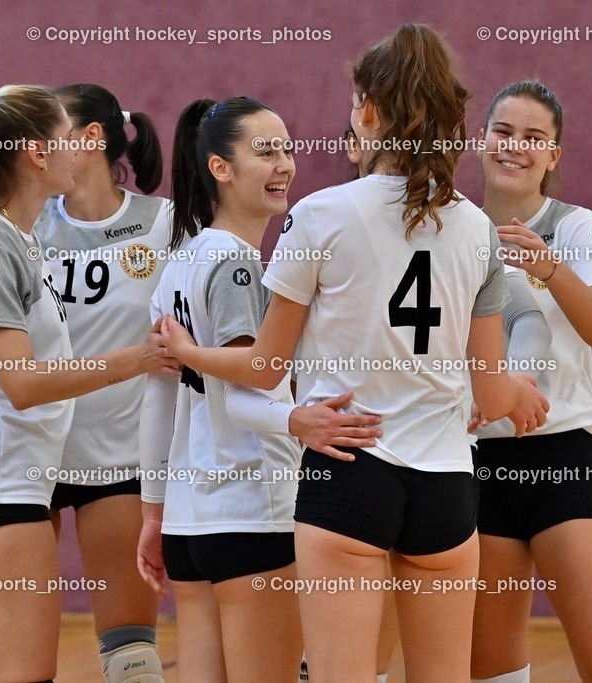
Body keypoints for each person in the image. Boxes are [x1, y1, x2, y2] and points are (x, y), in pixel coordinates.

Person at [157, 25, 549, 682]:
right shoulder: (478, 228)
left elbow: (265, 366)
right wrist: (522, 390)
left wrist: (190, 350)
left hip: (347, 472)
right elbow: (490, 395)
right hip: (446, 485)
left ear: (369, 111)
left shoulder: (318, 214)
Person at [0, 83, 173, 683]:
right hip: (1, 485)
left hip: (37, 473)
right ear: (37, 154)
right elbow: (18, 382)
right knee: (16, 669)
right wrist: (138, 359)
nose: (79, 150)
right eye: (66, 138)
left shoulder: (14, 240)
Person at [136, 96, 383, 683]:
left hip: (190, 526)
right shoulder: (240, 266)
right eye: (265, 151)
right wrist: (294, 421)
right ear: (219, 167)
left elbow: (160, 398)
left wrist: (153, 512)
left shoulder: (180, 262)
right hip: (252, 512)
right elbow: (248, 383)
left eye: (288, 149)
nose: (284, 164)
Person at [468, 80, 592, 683]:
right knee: (491, 669)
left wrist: (547, 266)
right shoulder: (453, 228)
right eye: (504, 131)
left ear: (554, 155)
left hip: (565, 457)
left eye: (534, 137)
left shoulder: (575, 226)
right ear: (481, 139)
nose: (515, 146)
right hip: (476, 462)